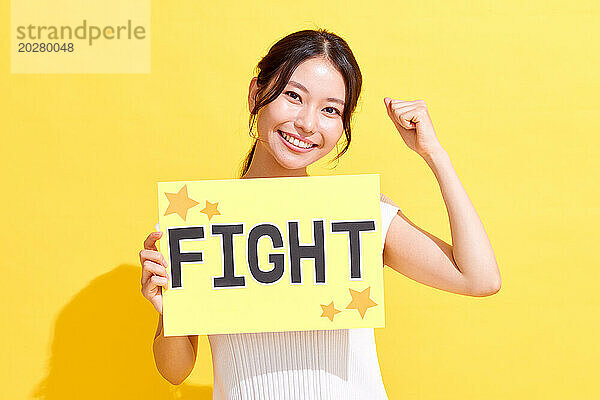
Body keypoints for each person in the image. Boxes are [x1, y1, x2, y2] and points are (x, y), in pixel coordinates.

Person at [139, 29, 501, 399]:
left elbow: (480, 278)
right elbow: (175, 371)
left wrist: (434, 154)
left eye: (330, 109)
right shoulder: (198, 224)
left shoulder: (356, 214)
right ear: (255, 95)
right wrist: (168, 310)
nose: (308, 124)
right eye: (293, 96)